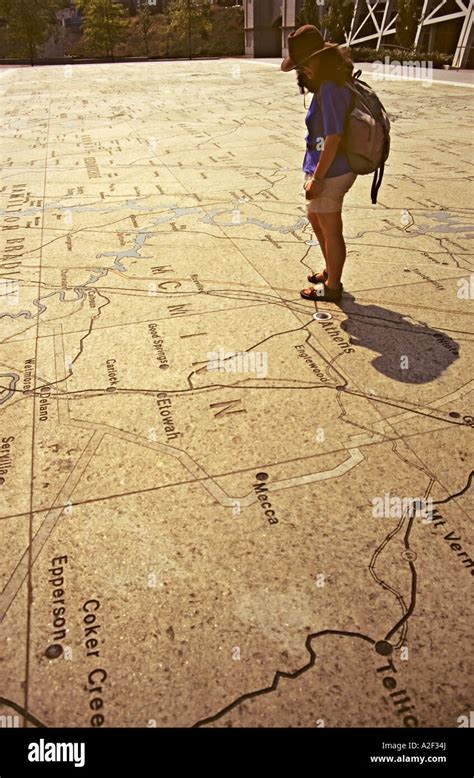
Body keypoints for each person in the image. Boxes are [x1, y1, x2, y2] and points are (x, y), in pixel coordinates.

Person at [281, 25, 357, 303]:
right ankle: (330, 270)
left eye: (307, 62)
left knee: (330, 227)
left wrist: (319, 178)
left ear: (321, 57)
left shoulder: (330, 88)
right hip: (325, 165)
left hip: (333, 170)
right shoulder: (328, 84)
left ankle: (333, 286)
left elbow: (333, 138)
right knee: (316, 218)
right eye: (299, 65)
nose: (304, 70)